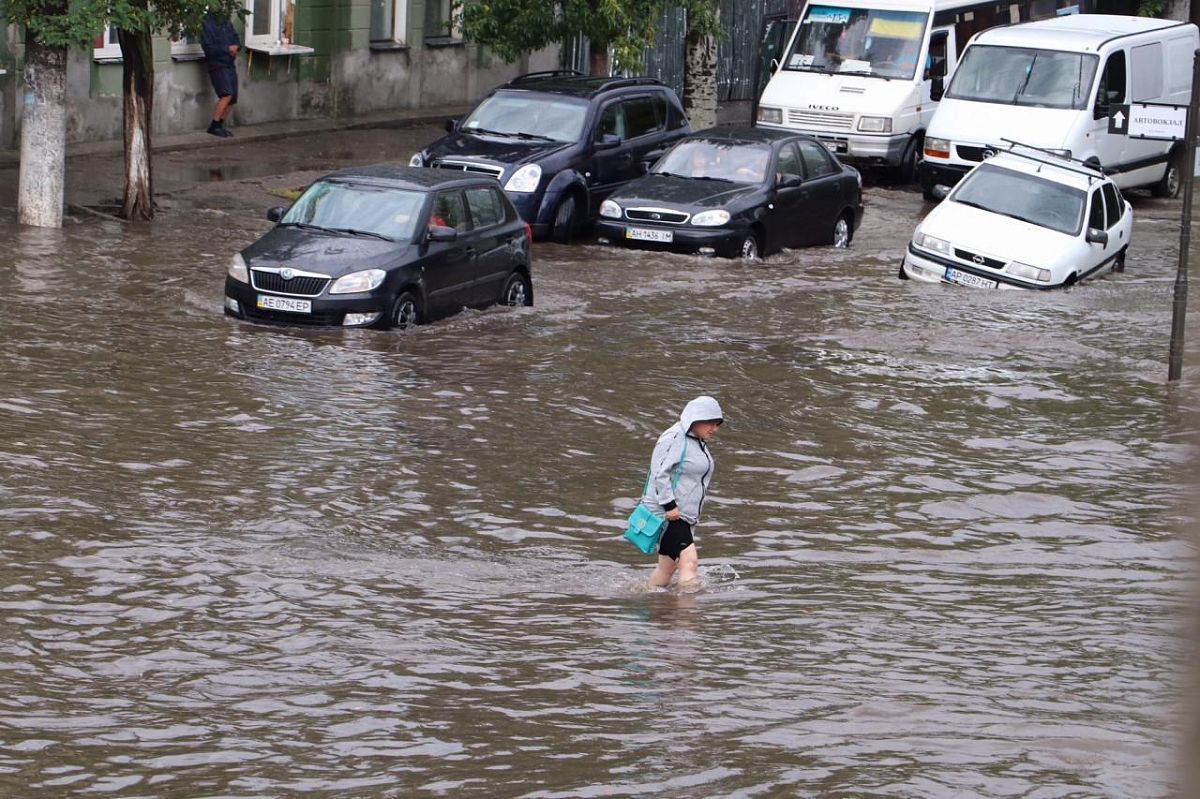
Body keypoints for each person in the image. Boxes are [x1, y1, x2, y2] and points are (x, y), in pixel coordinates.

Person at [642, 395, 724, 590]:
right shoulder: (675, 437)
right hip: (670, 514)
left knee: (667, 568)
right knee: (690, 563)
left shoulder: (695, 439)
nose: (714, 429)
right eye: (710, 423)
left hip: (683, 516)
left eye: (717, 423)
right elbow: (659, 473)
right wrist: (669, 506)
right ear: (695, 419)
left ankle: (651, 606)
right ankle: (686, 616)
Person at [200, 11, 241, 138]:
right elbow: (208, 48)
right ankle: (214, 125)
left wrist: (236, 46)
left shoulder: (225, 21)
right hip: (217, 65)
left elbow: (236, 38)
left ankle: (220, 125)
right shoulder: (206, 23)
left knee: (233, 97)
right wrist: (227, 49)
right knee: (226, 94)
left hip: (229, 63)